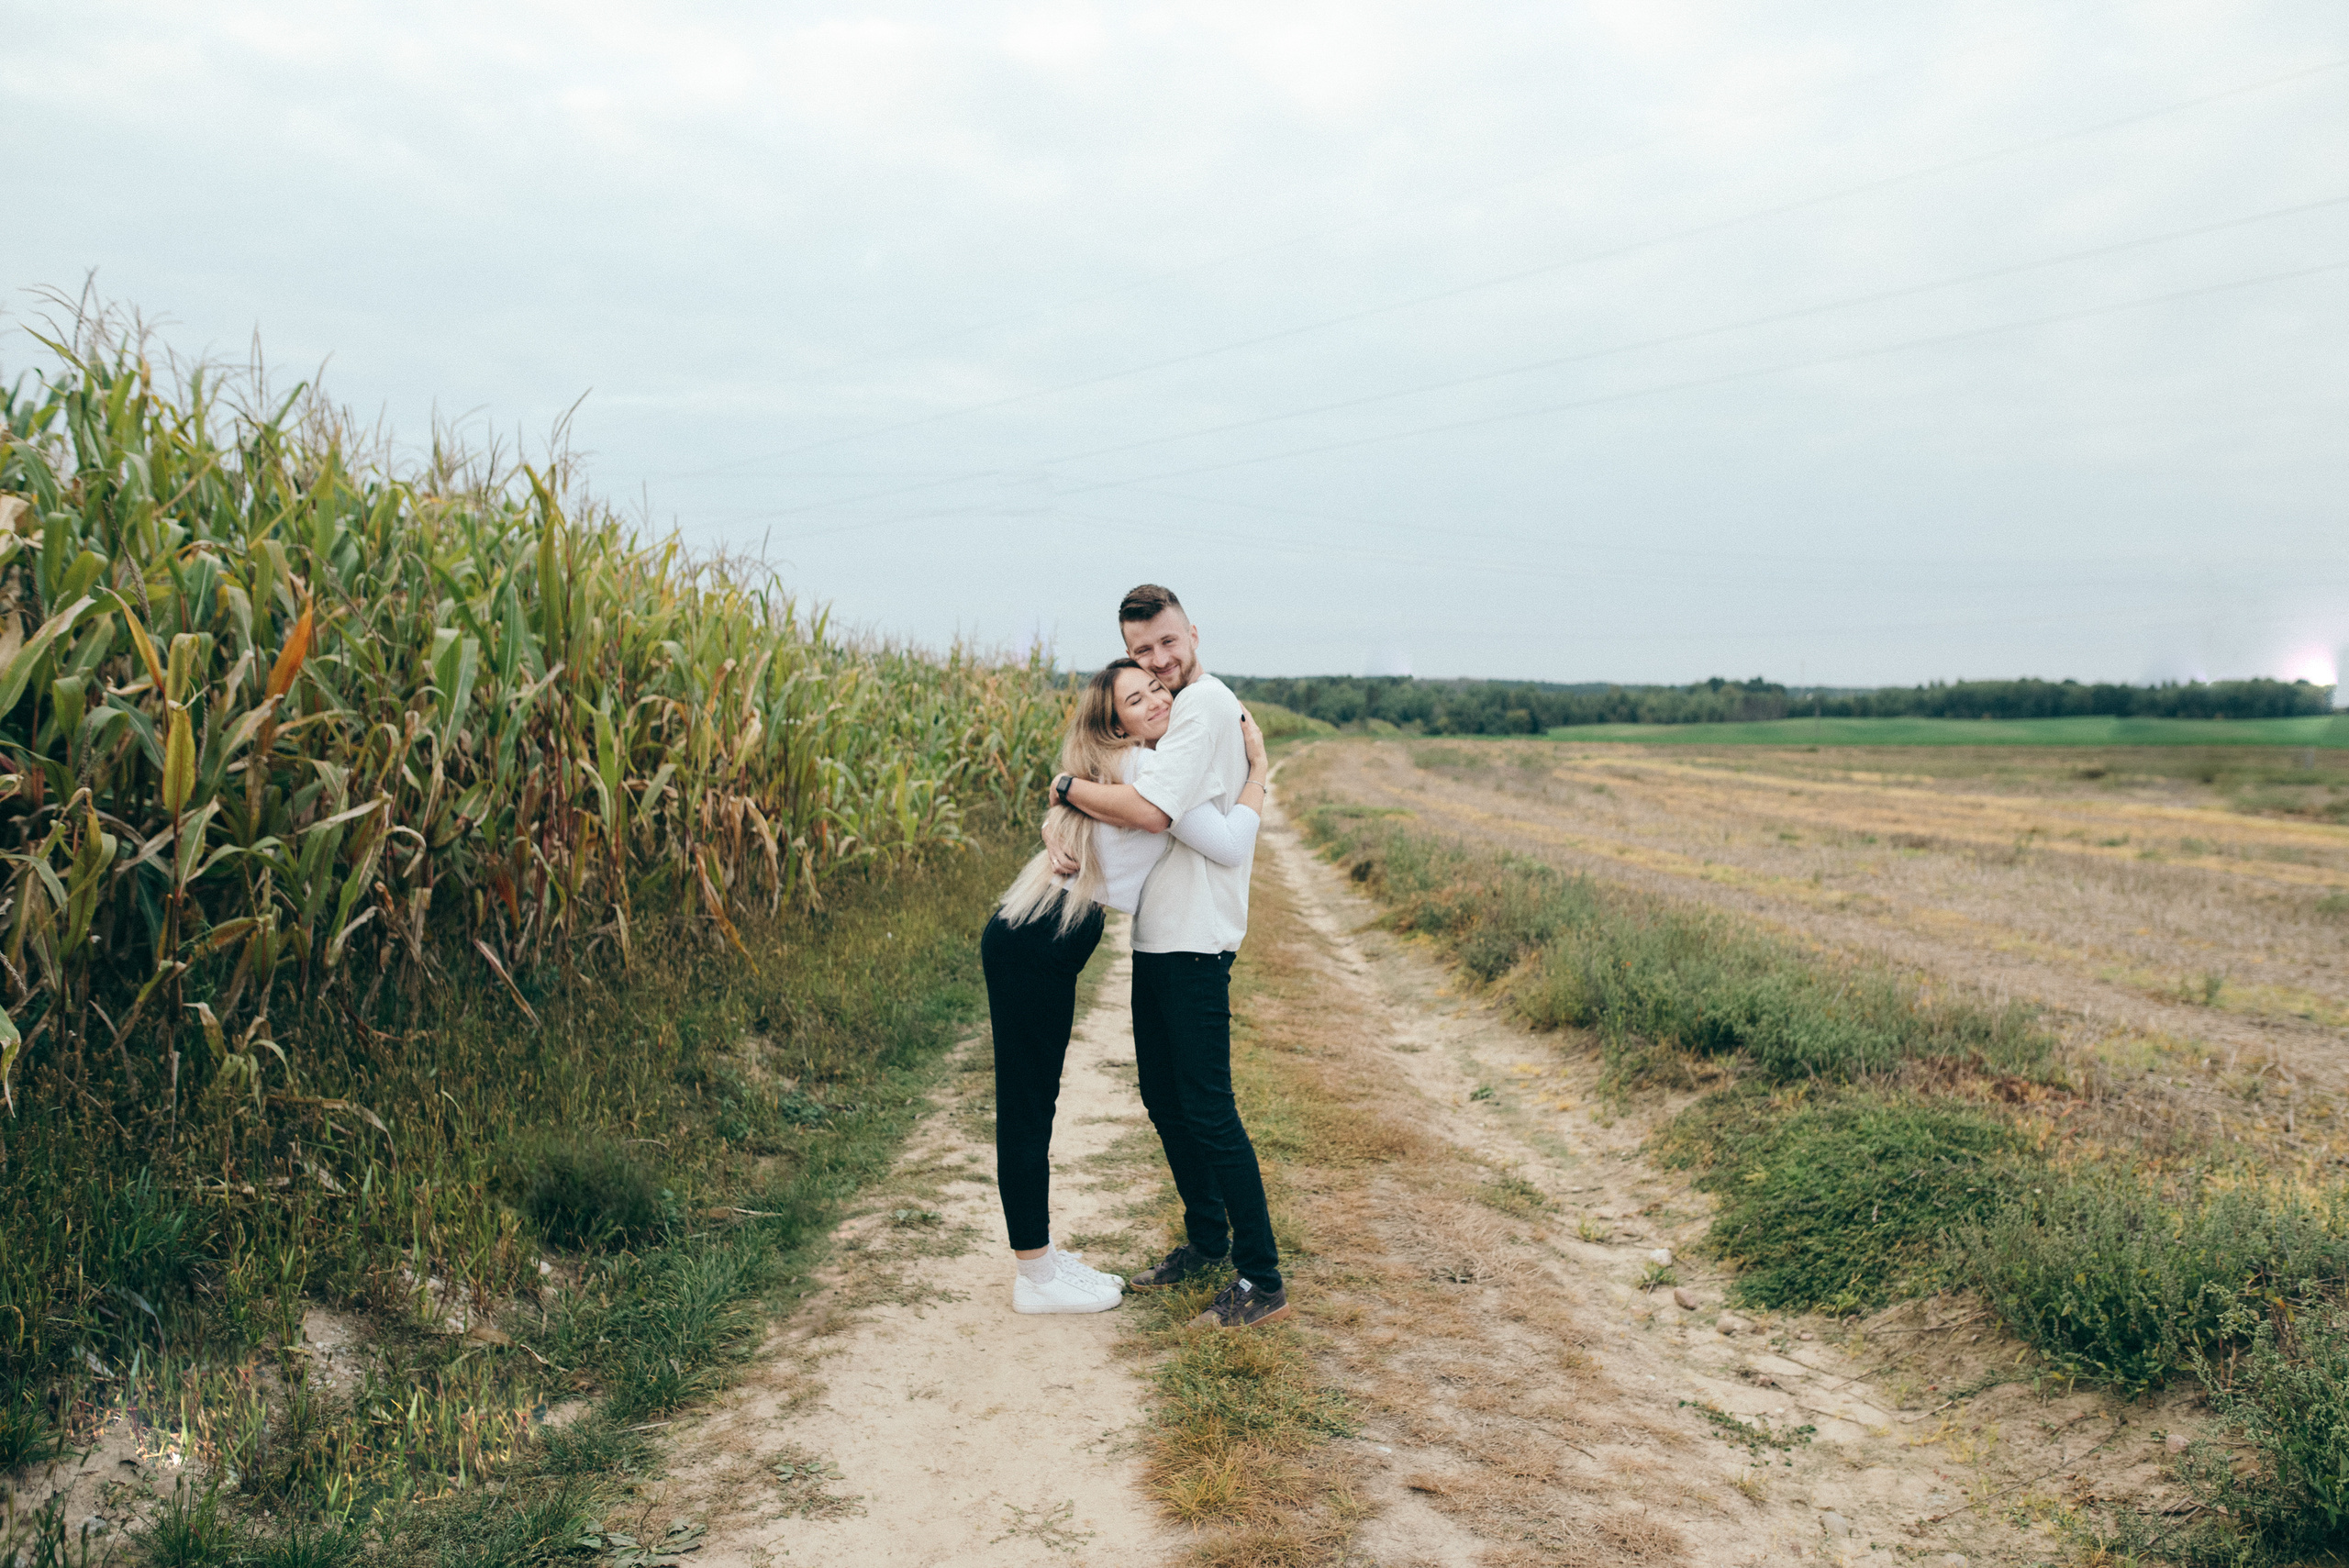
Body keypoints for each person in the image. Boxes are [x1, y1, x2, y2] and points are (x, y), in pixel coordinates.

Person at [984, 657, 1268, 1314]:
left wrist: (1059, 800)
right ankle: (1036, 1276)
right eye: (1136, 701)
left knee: (1036, 1101)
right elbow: (1227, 843)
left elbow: (1074, 800)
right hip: (1036, 941)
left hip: (1040, 939)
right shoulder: (1144, 775)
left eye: (1157, 688)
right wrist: (1258, 775)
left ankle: (1042, 1260)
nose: (1157, 701)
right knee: (1028, 1107)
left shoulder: (1124, 772)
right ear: (1118, 725)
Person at [1049, 584, 1289, 1330]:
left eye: (1166, 645)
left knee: (1209, 1107)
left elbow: (1152, 812)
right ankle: (1207, 1241)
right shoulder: (1172, 720)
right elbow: (1203, 828)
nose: (1159, 662)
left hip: (1194, 939)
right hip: (1160, 935)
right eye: (1143, 652)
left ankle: (1262, 1273)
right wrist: (1064, 808)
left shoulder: (1205, 705)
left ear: (1193, 631)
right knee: (1162, 1094)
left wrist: (1063, 786)